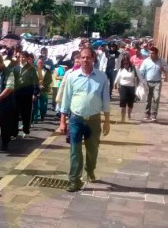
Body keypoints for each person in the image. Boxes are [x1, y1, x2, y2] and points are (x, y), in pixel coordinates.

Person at [59, 48, 111, 192]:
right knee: (75, 151)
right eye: (82, 57)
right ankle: (74, 180)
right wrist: (62, 120)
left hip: (93, 120)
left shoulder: (102, 77)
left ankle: (90, 168)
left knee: (92, 150)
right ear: (79, 59)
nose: (85, 60)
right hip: (76, 119)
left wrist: (107, 120)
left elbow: (106, 99)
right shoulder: (72, 76)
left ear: (93, 58)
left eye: (88, 57)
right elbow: (66, 99)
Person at [138, 47, 168, 122]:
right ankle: (147, 113)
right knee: (148, 98)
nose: (151, 55)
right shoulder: (146, 61)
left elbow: (166, 71)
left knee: (156, 97)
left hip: (157, 82)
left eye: (153, 53)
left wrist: (163, 69)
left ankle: (154, 113)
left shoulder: (161, 61)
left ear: (156, 54)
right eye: (150, 53)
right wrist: (141, 81)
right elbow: (142, 71)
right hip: (148, 82)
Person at [16, 51, 39, 137]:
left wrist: (35, 93)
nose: (21, 59)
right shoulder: (15, 68)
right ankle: (14, 131)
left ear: (27, 58)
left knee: (26, 113)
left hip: (27, 94)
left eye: (23, 57)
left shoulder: (31, 69)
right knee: (16, 113)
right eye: (20, 57)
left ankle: (26, 129)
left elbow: (35, 81)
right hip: (17, 94)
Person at [113, 55, 142, 123]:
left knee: (130, 103)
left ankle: (129, 115)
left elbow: (140, 77)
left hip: (131, 87)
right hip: (123, 87)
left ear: (129, 62)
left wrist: (143, 84)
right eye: (124, 63)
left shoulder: (134, 69)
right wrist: (115, 84)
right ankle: (122, 117)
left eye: (127, 63)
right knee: (122, 101)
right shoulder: (121, 70)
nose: (125, 65)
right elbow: (117, 78)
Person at [34, 54, 54, 123]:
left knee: (43, 105)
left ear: (43, 63)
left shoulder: (47, 71)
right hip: (35, 90)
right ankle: (35, 118)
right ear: (36, 63)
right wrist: (37, 85)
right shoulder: (34, 70)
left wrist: (43, 85)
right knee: (35, 105)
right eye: (39, 63)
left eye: (41, 63)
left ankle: (42, 114)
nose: (40, 64)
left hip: (44, 90)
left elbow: (50, 79)